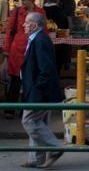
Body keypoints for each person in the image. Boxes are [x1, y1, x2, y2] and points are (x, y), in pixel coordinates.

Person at [18, 12, 65, 168]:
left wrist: (37, 88)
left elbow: (46, 68)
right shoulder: (38, 39)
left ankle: (55, 148)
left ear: (35, 25)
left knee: (29, 120)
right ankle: (36, 158)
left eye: (26, 22)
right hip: (38, 89)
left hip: (39, 91)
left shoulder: (40, 40)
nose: (23, 25)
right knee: (37, 122)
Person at [3, 0, 45, 119]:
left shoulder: (40, 12)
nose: (23, 3)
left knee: (30, 80)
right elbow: (9, 31)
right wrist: (6, 51)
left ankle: (25, 110)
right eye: (22, 0)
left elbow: (44, 31)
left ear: (31, 0)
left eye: (25, 0)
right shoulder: (16, 12)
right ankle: (9, 110)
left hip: (33, 49)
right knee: (15, 81)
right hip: (17, 50)